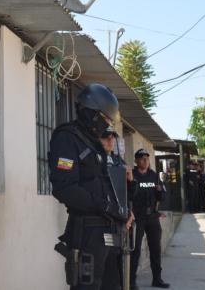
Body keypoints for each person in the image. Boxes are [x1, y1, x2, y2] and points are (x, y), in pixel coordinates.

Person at [50, 83, 128, 290]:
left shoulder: (94, 144)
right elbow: (64, 188)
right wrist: (104, 206)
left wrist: (121, 211)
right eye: (106, 118)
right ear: (93, 114)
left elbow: (102, 183)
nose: (109, 124)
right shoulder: (67, 138)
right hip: (88, 232)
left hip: (110, 231)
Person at [129, 149, 170, 289]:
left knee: (155, 249)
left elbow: (162, 196)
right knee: (135, 250)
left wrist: (159, 191)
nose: (145, 161)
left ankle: (157, 279)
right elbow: (127, 195)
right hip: (137, 218)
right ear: (136, 161)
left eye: (147, 158)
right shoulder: (131, 175)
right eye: (141, 158)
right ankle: (131, 281)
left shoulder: (153, 176)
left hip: (152, 217)